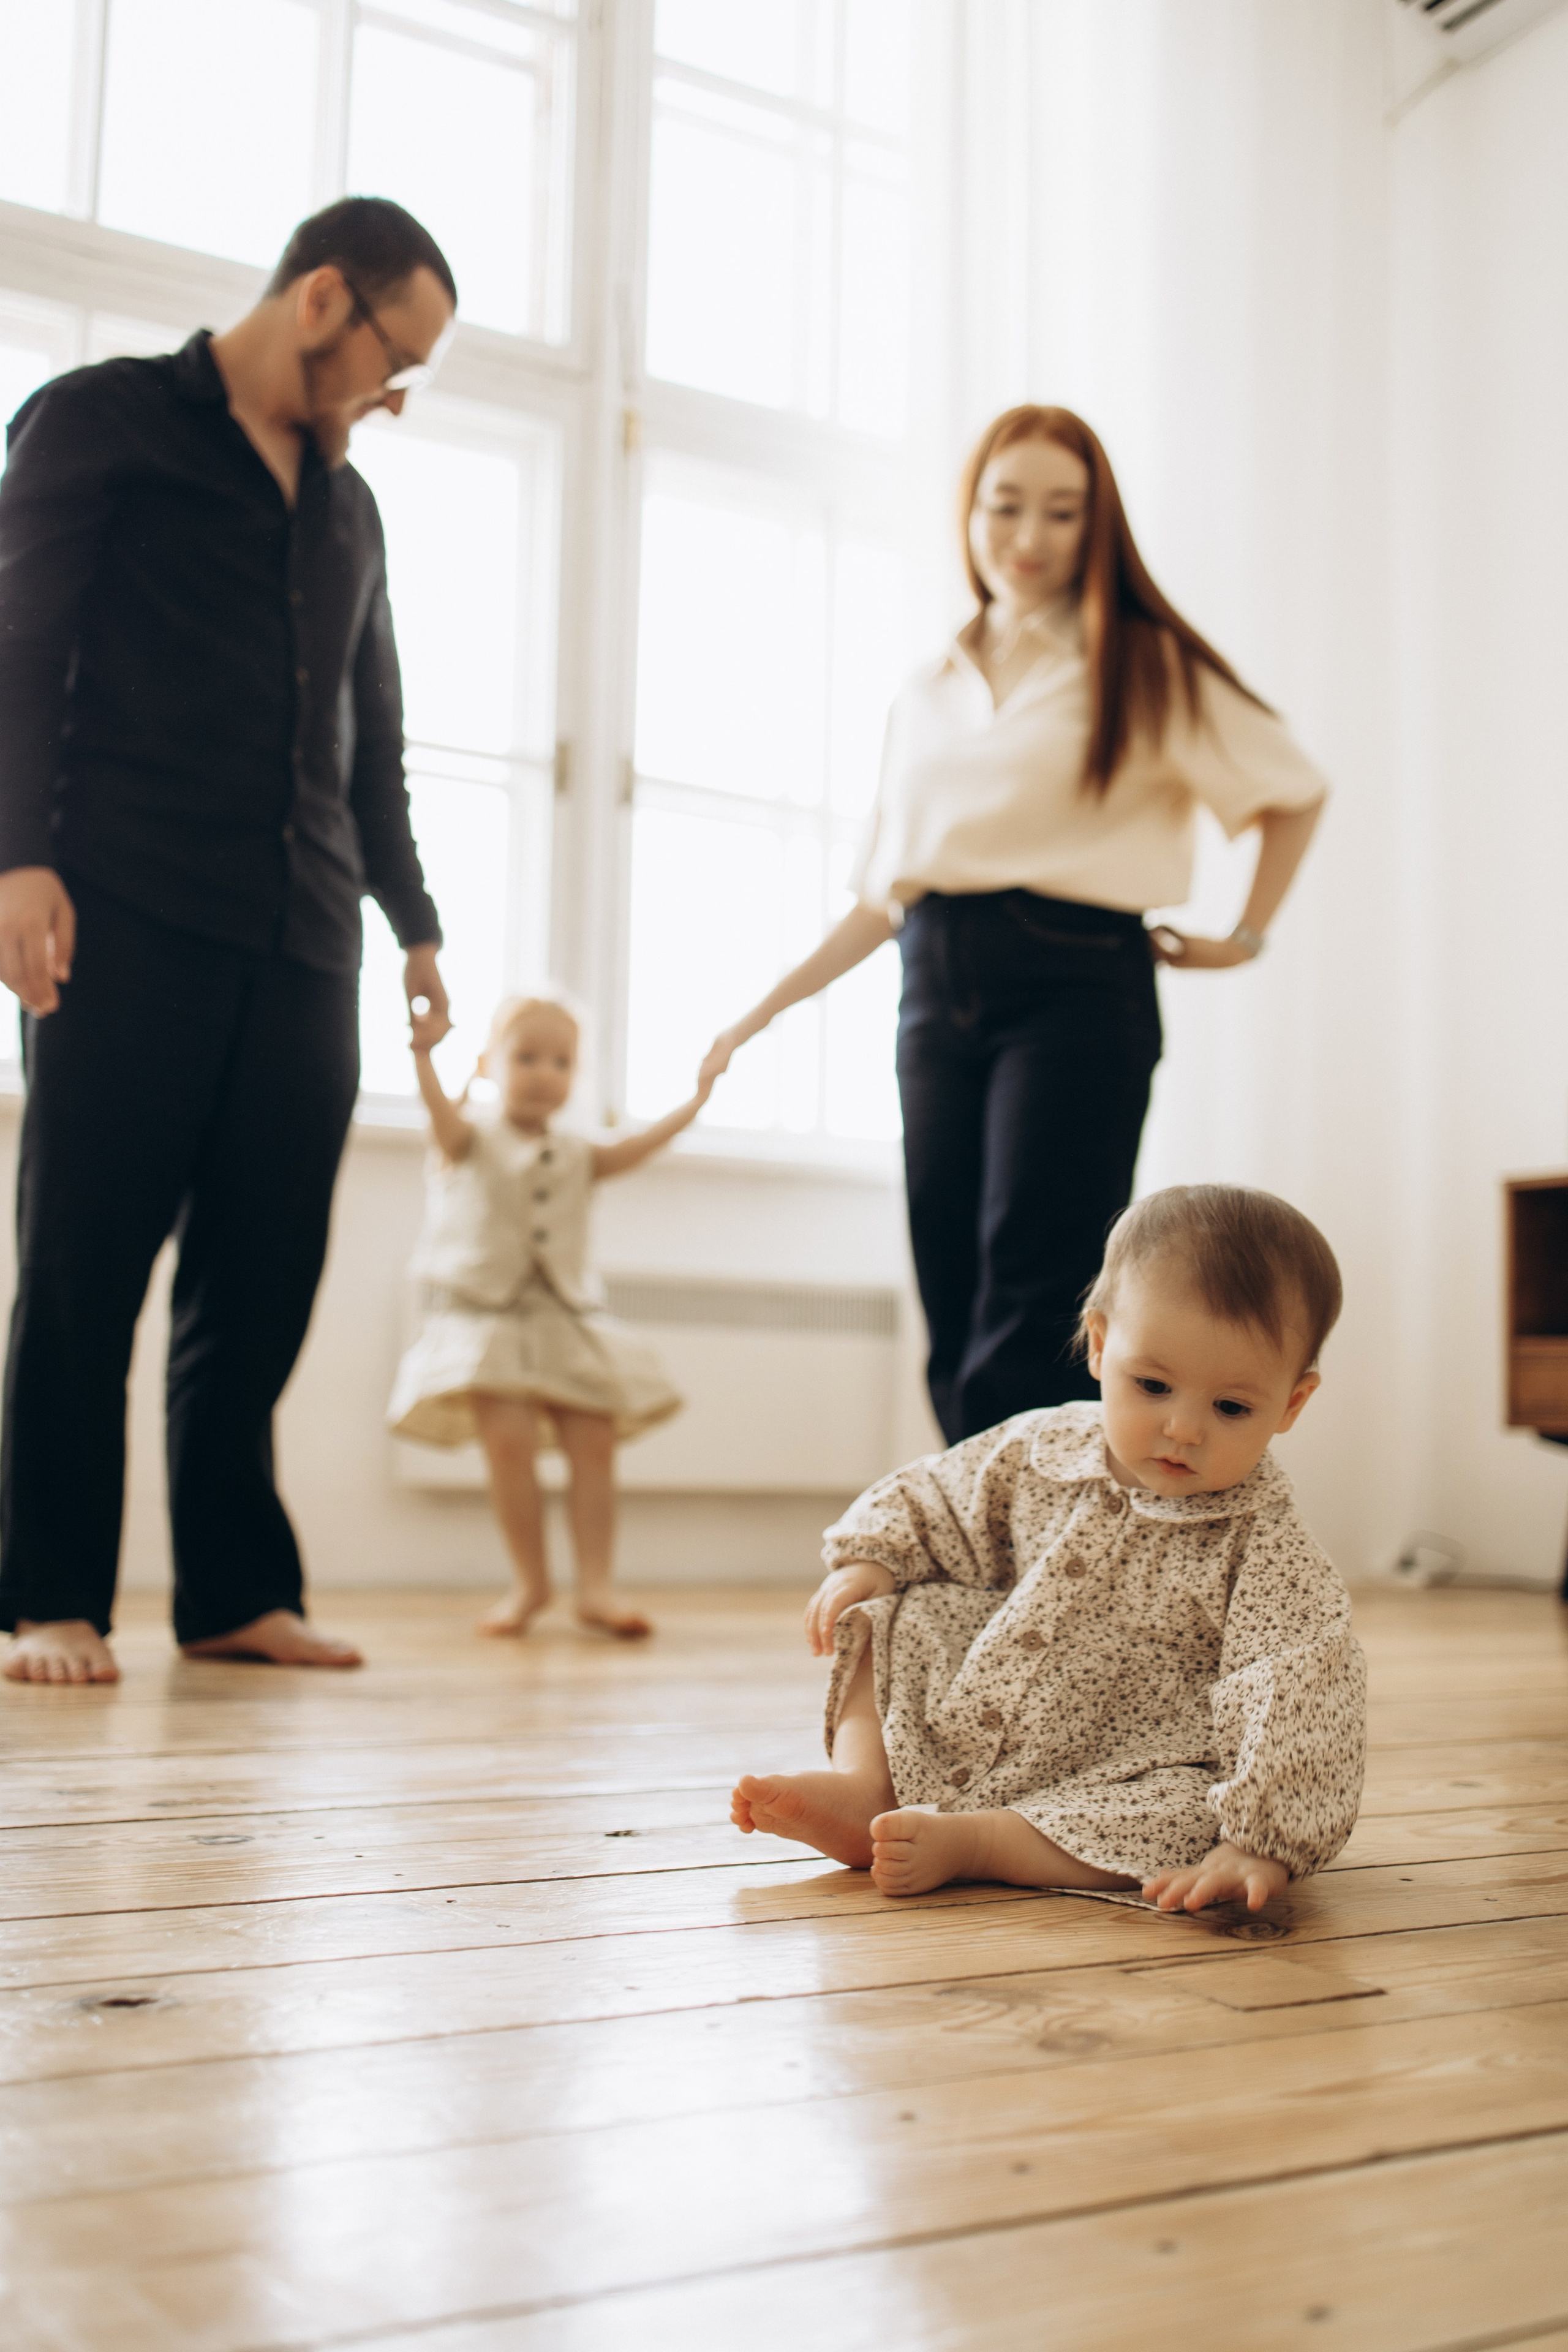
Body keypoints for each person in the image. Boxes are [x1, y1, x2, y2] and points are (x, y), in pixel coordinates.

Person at [0, 197, 458, 1684]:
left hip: (304, 934)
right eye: (398, 359)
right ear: (324, 299)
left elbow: (366, 730)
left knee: (260, 1277)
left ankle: (231, 1591)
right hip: (120, 907)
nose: (396, 398)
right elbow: (20, 646)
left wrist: (414, 919)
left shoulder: (348, 508)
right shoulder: (99, 423)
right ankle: (48, 1593)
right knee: (84, 1265)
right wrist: (15, 857)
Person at [703, 407, 1329, 1447]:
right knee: (949, 1288)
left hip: (1080, 980)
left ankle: (1034, 1573)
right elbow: (882, 895)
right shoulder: (925, 691)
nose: (1029, 537)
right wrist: (757, 1018)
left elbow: (1294, 789)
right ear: (971, 514)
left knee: (1037, 1288)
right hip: (933, 980)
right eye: (1006, 506)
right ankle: (973, 1544)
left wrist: (1244, 934)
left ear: (1099, 527)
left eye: (1062, 512)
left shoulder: (1142, 664)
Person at [731, 1185, 1365, 1913]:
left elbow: (1299, 1693)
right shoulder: (1041, 1445)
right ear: (1100, 1346)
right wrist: (872, 1556)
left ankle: (985, 1842)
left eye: (1230, 1407)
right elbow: (940, 1494)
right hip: (990, 1700)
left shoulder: (1265, 1548)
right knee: (901, 1615)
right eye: (1153, 1385)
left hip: (1128, 1767)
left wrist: (1261, 1841)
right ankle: (865, 1785)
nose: (1184, 1428)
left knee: (1197, 1816)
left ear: (1290, 1403)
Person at [389, 992, 711, 1642]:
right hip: (487, 1316)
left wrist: (697, 1098)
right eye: (527, 1056)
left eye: (561, 1062)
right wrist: (424, 1057)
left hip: (563, 1315)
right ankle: (529, 1584)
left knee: (592, 1439)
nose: (544, 1073)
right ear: (488, 1064)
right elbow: (437, 1117)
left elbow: (643, 1144)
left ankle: (596, 1587)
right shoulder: (467, 1137)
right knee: (506, 1444)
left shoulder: (580, 1153)